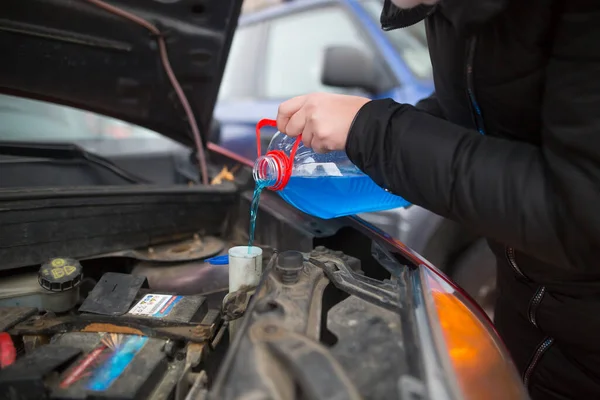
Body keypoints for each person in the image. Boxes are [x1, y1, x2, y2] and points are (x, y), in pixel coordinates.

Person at [275, 0, 600, 398]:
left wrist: (375, 131)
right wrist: (371, 135)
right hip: (526, 312)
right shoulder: (443, 9)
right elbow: (485, 123)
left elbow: (581, 212)